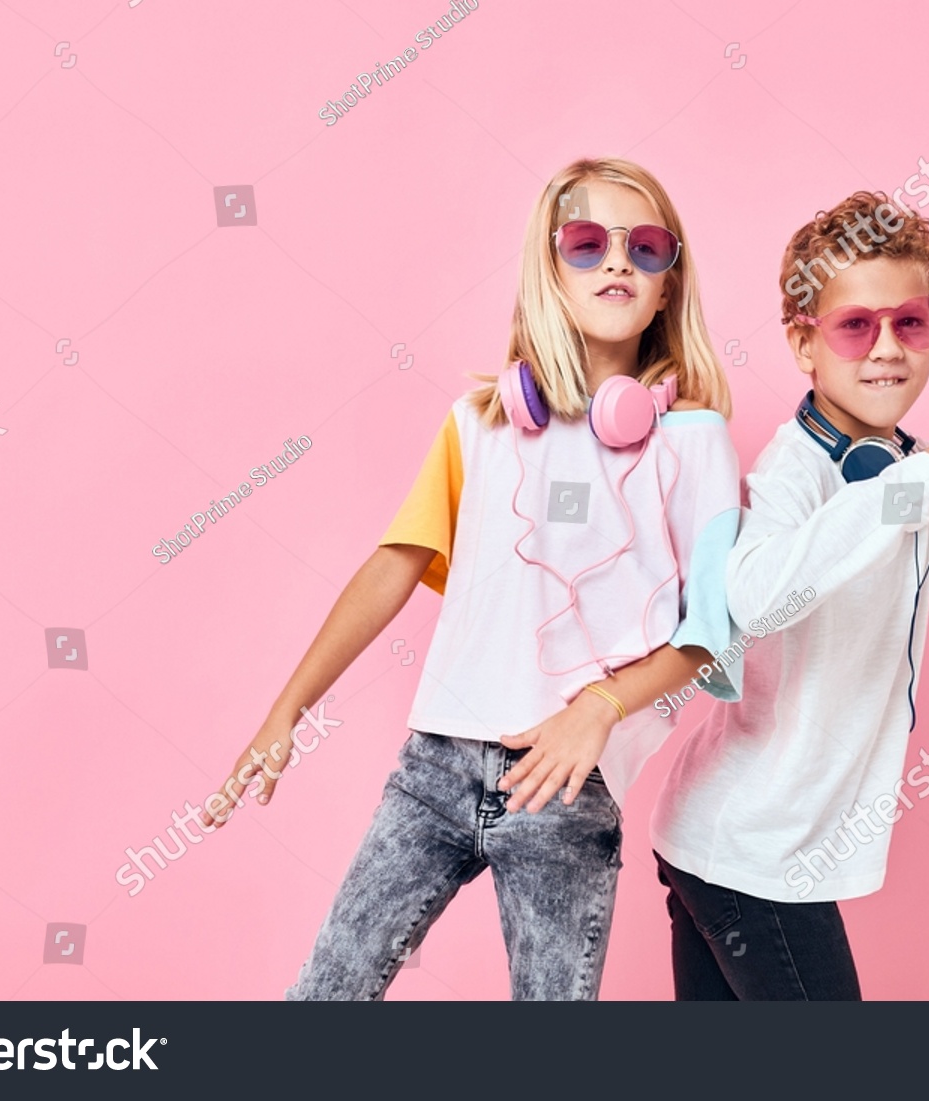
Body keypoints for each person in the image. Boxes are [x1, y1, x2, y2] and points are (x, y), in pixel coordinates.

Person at [201, 157, 743, 1001]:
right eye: (587, 243)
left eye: (645, 248)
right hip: (434, 766)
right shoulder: (481, 421)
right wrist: (287, 708)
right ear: (548, 270)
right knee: (322, 997)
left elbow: (710, 631)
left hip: (562, 784)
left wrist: (596, 712)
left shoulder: (696, 441)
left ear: (669, 285)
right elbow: (394, 562)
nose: (616, 263)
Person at [649, 190, 929, 999]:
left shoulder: (911, 478)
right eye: (856, 325)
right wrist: (914, 485)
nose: (887, 347)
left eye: (911, 322)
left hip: (746, 848)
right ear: (803, 343)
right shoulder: (795, 471)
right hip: (751, 850)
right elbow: (756, 596)